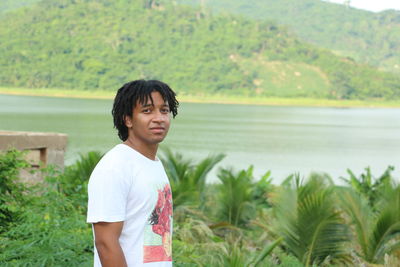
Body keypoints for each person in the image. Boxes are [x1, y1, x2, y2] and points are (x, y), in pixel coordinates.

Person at [87, 79, 179, 267]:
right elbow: (105, 242)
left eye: (164, 110)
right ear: (127, 119)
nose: (159, 118)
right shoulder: (115, 166)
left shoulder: (153, 163)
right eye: (147, 111)